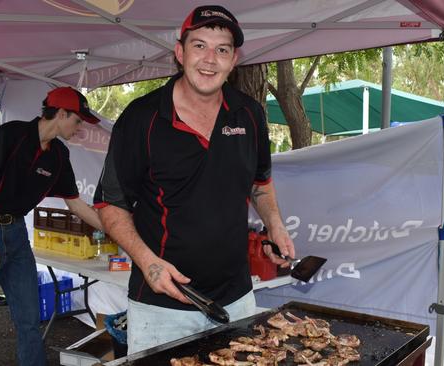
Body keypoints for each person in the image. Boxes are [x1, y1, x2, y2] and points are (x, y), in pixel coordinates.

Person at [94, 5, 295, 355]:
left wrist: (275, 225)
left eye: (222, 49)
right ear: (179, 52)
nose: (210, 59)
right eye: (199, 45)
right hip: (162, 306)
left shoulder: (249, 114)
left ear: (234, 60)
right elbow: (111, 203)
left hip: (237, 299)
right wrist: (147, 262)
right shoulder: (143, 118)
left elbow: (260, 183)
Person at [0, 87, 104, 366]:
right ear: (61, 114)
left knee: (29, 319)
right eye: (77, 120)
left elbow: (76, 204)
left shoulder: (59, 154)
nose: (79, 128)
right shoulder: (10, 135)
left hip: (15, 233)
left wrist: (117, 231)